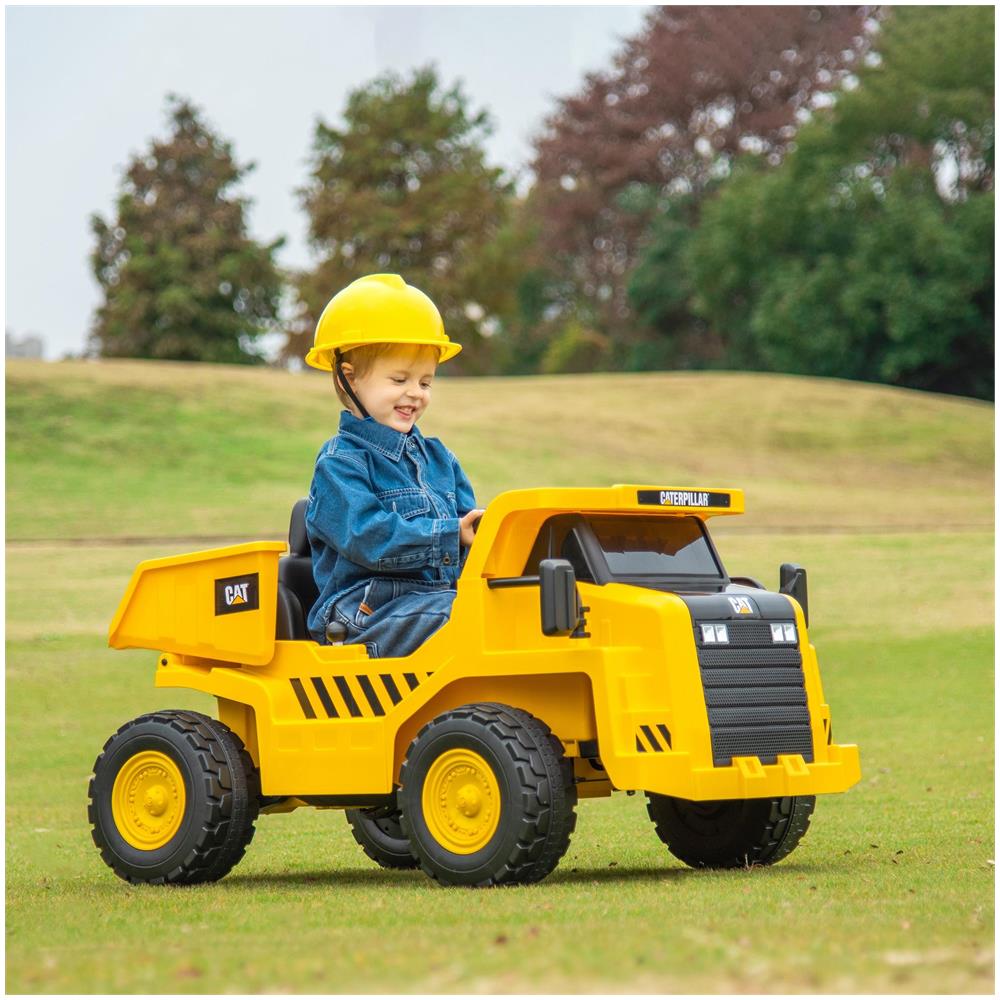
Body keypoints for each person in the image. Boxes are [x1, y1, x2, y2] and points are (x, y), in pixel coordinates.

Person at [303, 273, 485, 658]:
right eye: (399, 379)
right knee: (467, 616)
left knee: (511, 608)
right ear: (348, 378)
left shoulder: (440, 459)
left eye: (426, 382)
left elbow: (472, 536)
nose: (415, 394)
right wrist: (450, 535)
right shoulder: (340, 464)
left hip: (436, 600)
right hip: (364, 614)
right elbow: (368, 537)